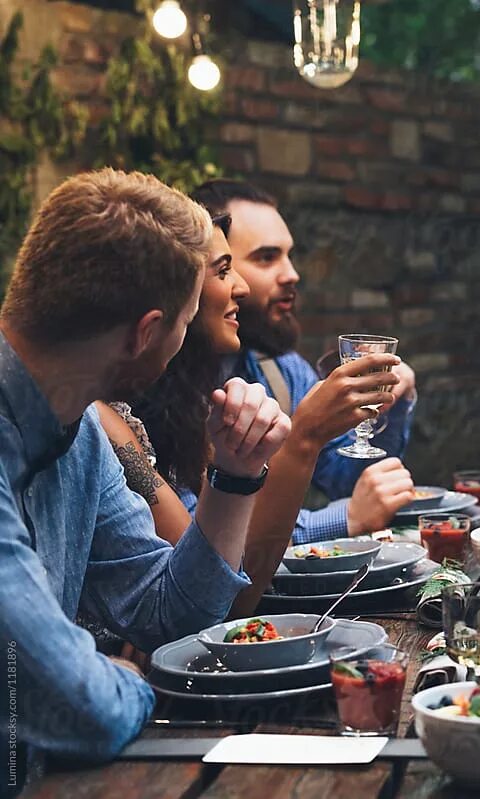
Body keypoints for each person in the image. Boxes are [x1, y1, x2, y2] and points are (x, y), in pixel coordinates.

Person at [0, 169, 289, 785]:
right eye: (185, 320)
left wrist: (236, 476)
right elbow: (82, 708)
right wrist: (121, 681)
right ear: (146, 332)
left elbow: (168, 614)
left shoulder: (76, 430)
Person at [94, 206, 407, 619]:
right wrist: (302, 439)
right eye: (226, 269)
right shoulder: (111, 417)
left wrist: (388, 410)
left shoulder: (265, 373)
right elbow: (210, 591)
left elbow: (201, 582)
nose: (239, 286)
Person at [190, 179, 418, 542]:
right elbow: (198, 544)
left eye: (288, 254)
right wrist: (345, 517)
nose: (292, 273)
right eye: (266, 257)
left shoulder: (281, 369)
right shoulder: (163, 389)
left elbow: (346, 480)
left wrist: (391, 404)